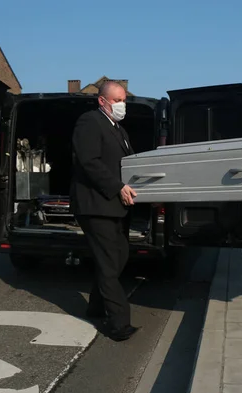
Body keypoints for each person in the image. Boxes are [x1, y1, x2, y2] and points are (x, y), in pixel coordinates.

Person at [70, 81, 139, 342]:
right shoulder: (89, 122)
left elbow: (129, 163)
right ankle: (119, 324)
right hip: (95, 204)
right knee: (110, 262)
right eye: (118, 100)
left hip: (114, 206)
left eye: (124, 100)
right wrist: (117, 186)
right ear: (102, 101)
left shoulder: (118, 129)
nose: (122, 105)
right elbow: (89, 161)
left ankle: (96, 307)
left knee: (118, 256)